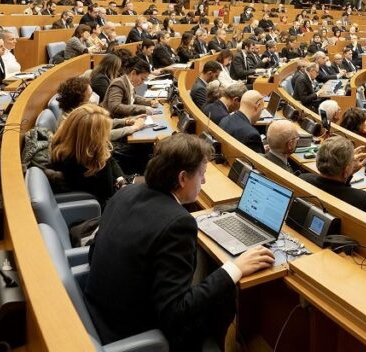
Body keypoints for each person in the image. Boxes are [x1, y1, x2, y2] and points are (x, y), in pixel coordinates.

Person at [84, 133, 274, 349]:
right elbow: (175, 312)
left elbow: (93, 254)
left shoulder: (126, 193)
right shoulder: (178, 224)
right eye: (202, 174)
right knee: (224, 294)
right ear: (183, 178)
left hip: (96, 310)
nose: (204, 181)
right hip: (133, 334)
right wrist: (234, 268)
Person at [301, 136, 366, 222]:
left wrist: (348, 173)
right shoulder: (361, 199)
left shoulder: (303, 179)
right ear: (346, 170)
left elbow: (336, 187)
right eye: (351, 162)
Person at [49, 103, 127, 208]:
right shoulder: (74, 163)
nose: (106, 137)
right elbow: (107, 192)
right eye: (103, 134)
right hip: (103, 208)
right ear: (92, 138)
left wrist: (121, 180)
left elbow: (110, 158)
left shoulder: (64, 147)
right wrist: (102, 157)